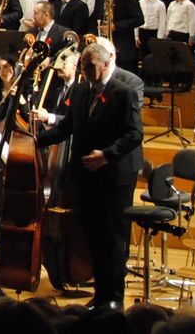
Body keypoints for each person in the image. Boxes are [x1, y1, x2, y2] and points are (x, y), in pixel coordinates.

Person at [33, 41, 144, 311]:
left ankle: (115, 297)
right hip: (86, 174)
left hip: (114, 175)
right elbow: (68, 127)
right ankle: (101, 293)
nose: (85, 71)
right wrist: (36, 140)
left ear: (106, 64)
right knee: (93, 234)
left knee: (114, 238)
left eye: (90, 66)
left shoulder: (124, 93)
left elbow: (134, 134)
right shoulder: (81, 89)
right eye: (83, 66)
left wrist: (106, 155)